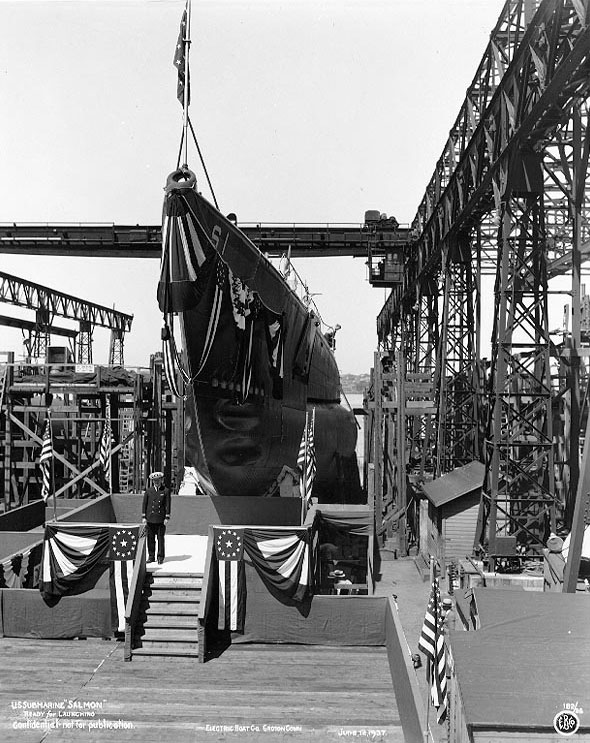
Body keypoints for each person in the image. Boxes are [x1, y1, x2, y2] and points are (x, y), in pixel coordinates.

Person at [142, 471, 171, 564]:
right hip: (150, 519)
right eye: (155, 480)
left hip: (160, 519)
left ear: (161, 480)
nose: (156, 482)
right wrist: (144, 516)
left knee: (160, 539)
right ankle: (151, 556)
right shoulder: (148, 491)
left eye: (158, 480)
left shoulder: (165, 491)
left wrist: (167, 517)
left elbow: (168, 505)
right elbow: (144, 504)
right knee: (150, 539)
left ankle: (160, 557)